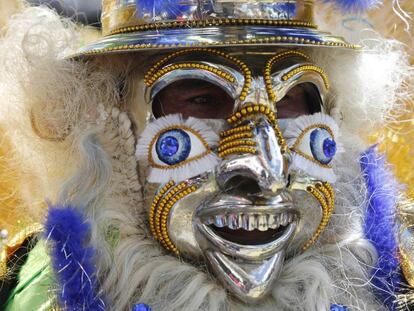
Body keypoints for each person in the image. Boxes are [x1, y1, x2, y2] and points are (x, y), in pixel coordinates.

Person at [0, 1, 413, 310]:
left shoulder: (401, 273)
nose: (265, 172)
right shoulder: (30, 290)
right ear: (110, 128)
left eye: (290, 103)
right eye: (202, 100)